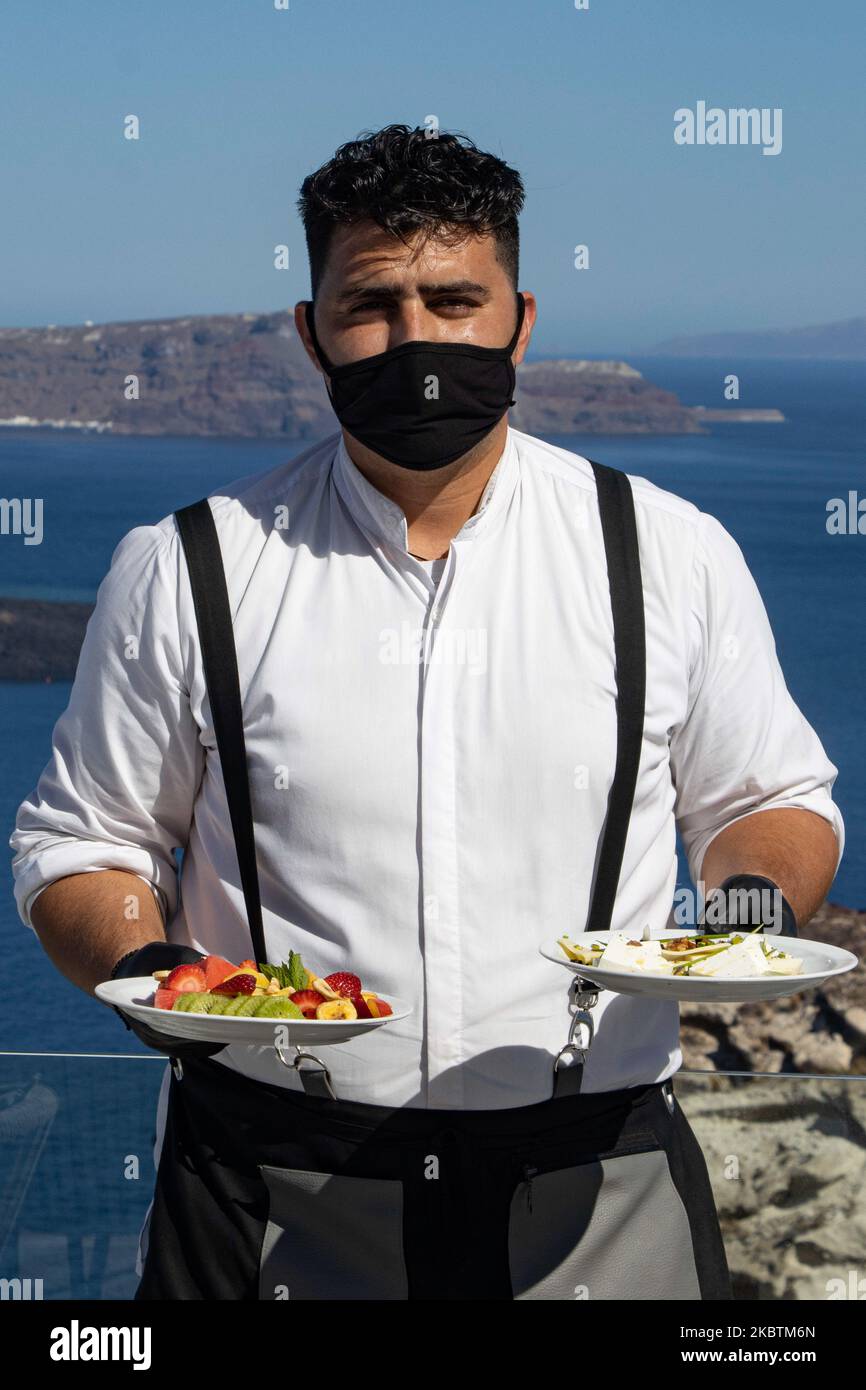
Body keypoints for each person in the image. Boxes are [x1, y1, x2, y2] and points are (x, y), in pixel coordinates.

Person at [11, 123, 843, 1301]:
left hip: (599, 1182)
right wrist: (157, 974)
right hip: (268, 1185)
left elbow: (769, 797)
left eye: (455, 300)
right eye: (371, 305)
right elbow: (76, 845)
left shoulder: (665, 554)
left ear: (521, 319)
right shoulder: (188, 565)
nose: (418, 342)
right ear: (310, 332)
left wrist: (747, 909)